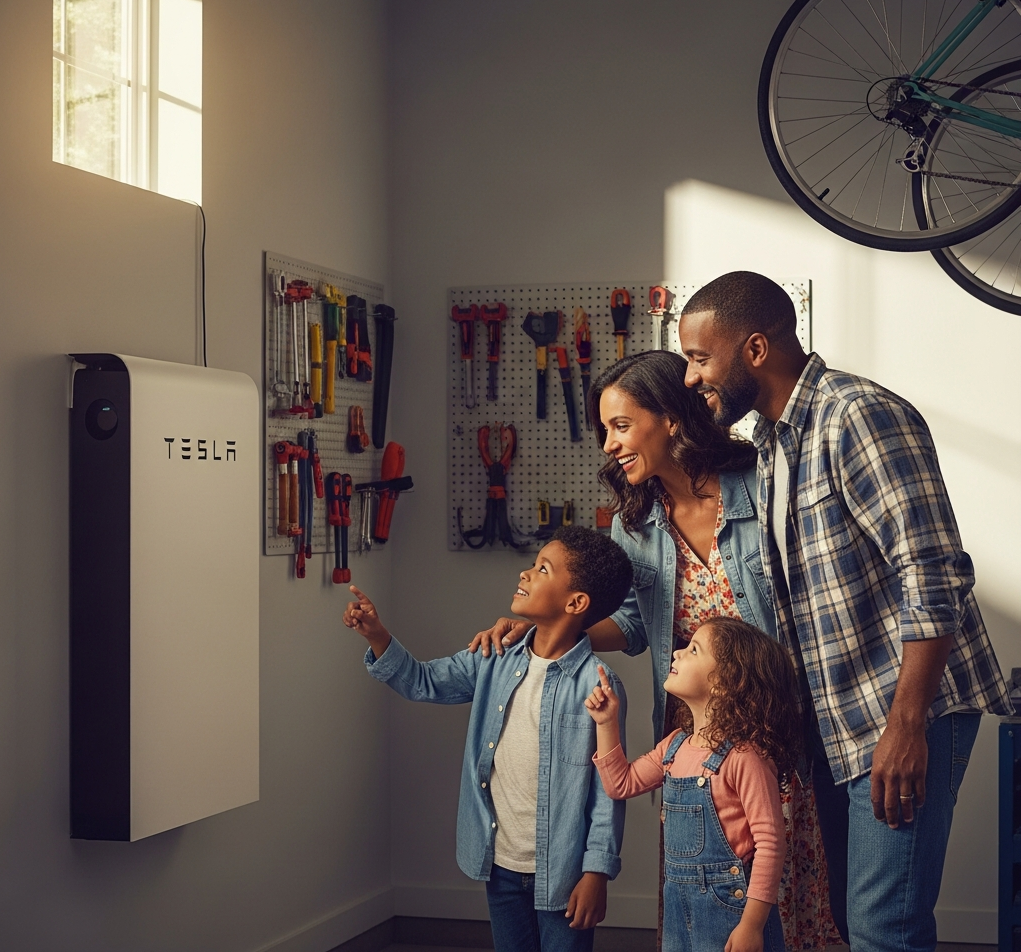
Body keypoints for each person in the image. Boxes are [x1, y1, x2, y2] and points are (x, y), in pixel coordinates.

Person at [678, 270, 1011, 951]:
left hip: (904, 712)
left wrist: (907, 724)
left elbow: (932, 569)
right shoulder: (773, 443)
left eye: (698, 358)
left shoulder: (855, 415)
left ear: (756, 349)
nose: (691, 377)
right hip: (842, 723)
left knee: (883, 929)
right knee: (853, 920)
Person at [470, 351, 838, 949]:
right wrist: (548, 635)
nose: (609, 446)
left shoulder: (760, 481)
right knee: (698, 885)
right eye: (603, 431)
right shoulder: (634, 521)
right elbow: (636, 626)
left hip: (771, 722)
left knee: (778, 884)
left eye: (620, 426)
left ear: (670, 417)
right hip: (691, 724)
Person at [344, 526, 633, 952]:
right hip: (500, 863)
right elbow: (423, 681)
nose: (526, 573)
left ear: (575, 603)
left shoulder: (599, 686)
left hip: (565, 872)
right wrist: (376, 635)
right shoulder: (492, 656)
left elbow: (609, 790)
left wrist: (597, 873)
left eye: (542, 569)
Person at [585, 617, 798, 952]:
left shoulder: (745, 757)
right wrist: (606, 722)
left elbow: (771, 844)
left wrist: (752, 926)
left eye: (693, 649)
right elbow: (620, 784)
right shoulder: (674, 746)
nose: (677, 654)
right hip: (679, 909)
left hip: (730, 914)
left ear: (727, 683)